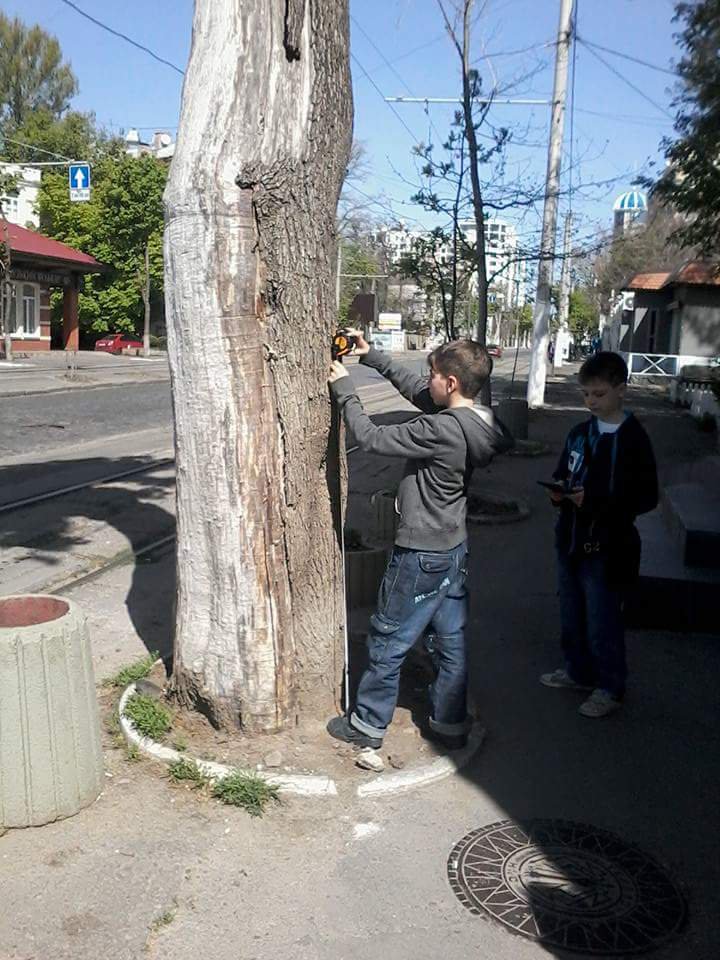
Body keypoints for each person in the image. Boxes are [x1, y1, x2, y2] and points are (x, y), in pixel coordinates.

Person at [326, 331, 513, 750]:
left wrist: (344, 390)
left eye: (432, 374)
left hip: (419, 553)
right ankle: (449, 723)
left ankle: (368, 725)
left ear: (450, 383)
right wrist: (371, 356)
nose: (426, 380)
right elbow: (419, 392)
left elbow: (371, 438)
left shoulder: (440, 429)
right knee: (449, 640)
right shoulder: (481, 421)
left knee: (388, 637)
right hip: (453, 548)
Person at [540, 351, 658, 718]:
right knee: (571, 612)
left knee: (602, 619)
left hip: (609, 547)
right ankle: (578, 671)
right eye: (586, 394)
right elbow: (565, 472)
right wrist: (559, 493)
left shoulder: (634, 439)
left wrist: (598, 500)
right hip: (571, 539)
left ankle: (610, 687)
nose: (591, 401)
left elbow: (647, 496)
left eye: (599, 394)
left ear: (621, 390)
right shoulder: (579, 433)